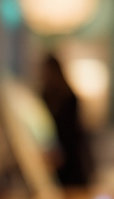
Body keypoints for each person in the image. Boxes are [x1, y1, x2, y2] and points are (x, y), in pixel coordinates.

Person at [40, 54, 94, 188]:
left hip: (71, 155)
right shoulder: (45, 95)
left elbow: (72, 130)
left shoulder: (69, 97)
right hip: (56, 155)